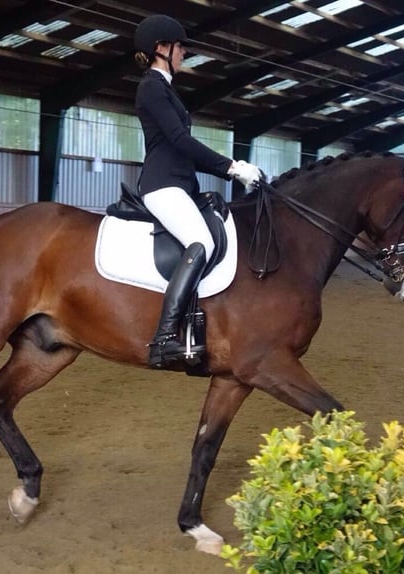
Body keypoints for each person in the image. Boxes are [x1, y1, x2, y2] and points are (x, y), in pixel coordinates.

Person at [133, 14, 262, 368]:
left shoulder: (166, 89)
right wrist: (232, 167)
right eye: (180, 47)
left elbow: (183, 147)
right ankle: (163, 338)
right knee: (200, 242)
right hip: (161, 185)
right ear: (161, 48)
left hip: (179, 184)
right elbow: (179, 141)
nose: (184, 53)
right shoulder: (152, 87)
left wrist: (226, 173)